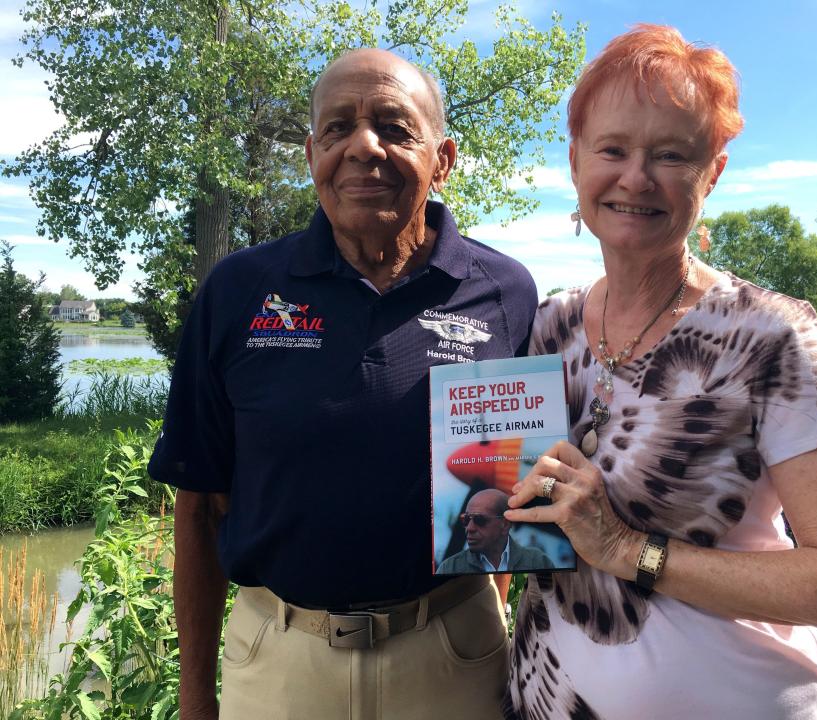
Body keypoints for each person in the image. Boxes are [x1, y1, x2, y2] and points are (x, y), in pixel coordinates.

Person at [501, 24, 817, 720]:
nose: (635, 177)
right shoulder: (548, 325)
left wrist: (629, 549)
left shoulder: (771, 333)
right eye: (613, 149)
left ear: (712, 172)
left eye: (670, 155)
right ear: (574, 161)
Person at [148, 48, 537, 720]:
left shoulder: (505, 292)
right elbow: (200, 505)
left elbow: (504, 483)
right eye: (337, 128)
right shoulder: (239, 291)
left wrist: (480, 612)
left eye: (393, 126)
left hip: (452, 659)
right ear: (310, 155)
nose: (363, 147)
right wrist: (194, 695)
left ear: (442, 160)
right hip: (279, 664)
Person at [437, 489, 555, 573]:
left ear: (505, 525)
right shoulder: (449, 568)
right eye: (465, 519)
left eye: (479, 519)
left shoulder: (538, 561)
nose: (469, 528)